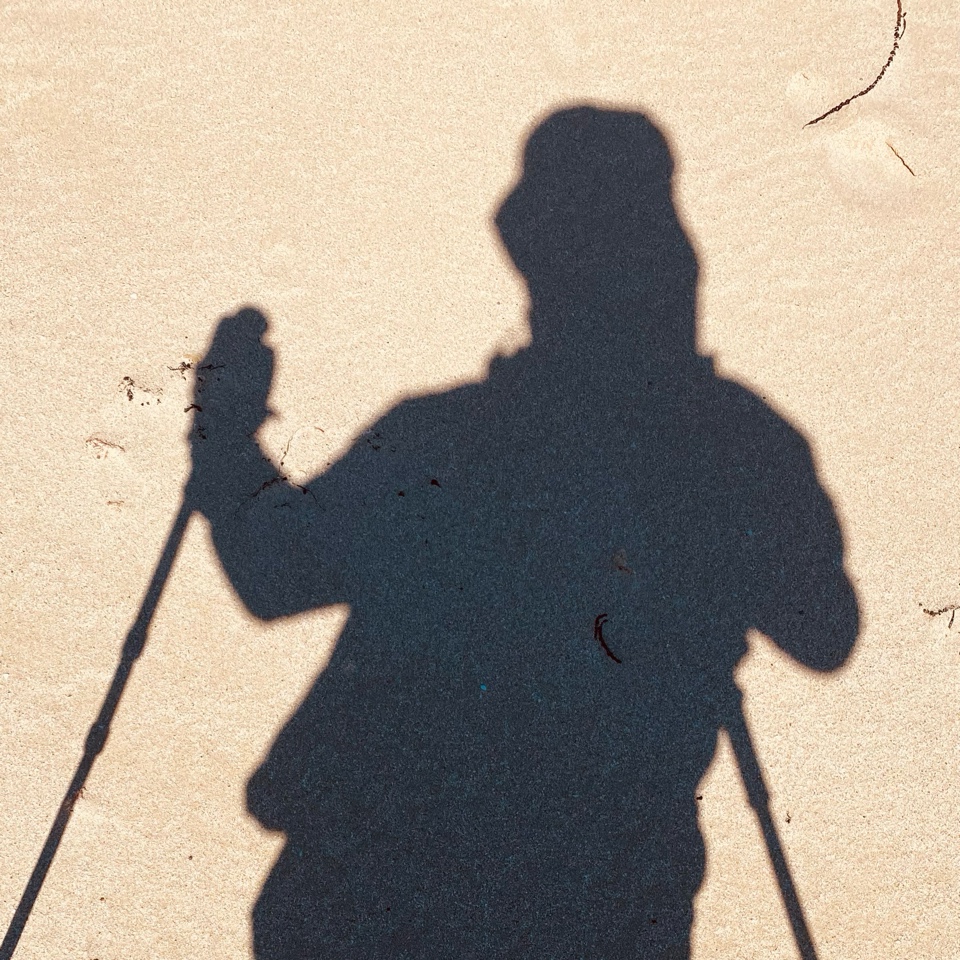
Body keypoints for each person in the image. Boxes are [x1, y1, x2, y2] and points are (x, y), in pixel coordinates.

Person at [187, 106, 859, 959]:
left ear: (538, 262)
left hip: (371, 898)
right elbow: (825, 630)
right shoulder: (736, 446)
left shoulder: (449, 438)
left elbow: (275, 568)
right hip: (604, 909)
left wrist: (224, 435)